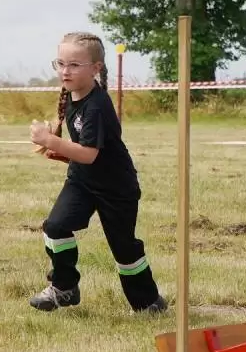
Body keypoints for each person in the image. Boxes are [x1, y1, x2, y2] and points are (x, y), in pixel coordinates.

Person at [28, 32, 168, 313]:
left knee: (124, 248)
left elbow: (89, 154)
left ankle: (149, 303)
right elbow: (81, 151)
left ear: (96, 68)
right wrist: (57, 147)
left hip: (116, 187)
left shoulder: (97, 106)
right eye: (60, 63)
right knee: (55, 227)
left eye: (74, 65)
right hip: (81, 181)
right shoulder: (70, 96)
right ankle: (64, 288)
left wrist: (50, 141)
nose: (65, 71)